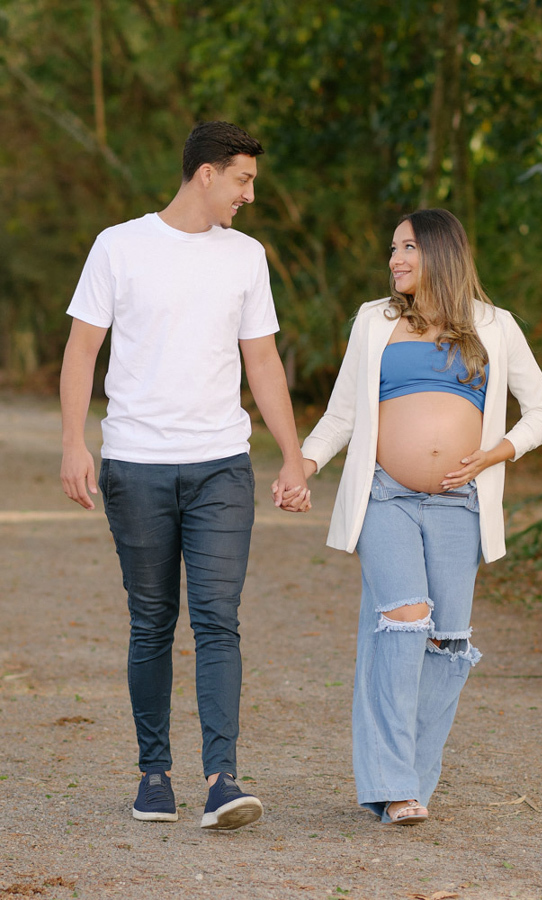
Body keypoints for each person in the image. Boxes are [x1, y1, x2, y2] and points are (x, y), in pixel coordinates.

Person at [60, 120, 309, 830]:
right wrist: (74, 443)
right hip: (135, 464)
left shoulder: (247, 257)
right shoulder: (119, 246)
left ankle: (223, 779)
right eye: (243, 179)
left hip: (221, 467)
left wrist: (290, 455)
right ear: (207, 173)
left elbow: (261, 360)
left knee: (217, 621)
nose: (250, 195)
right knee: (151, 621)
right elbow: (82, 351)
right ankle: (153, 776)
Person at [276, 208, 542, 825]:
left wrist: (494, 452)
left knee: (446, 641)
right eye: (392, 249)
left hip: (462, 503)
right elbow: (343, 413)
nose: (394, 259)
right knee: (403, 618)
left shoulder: (495, 326)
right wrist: (304, 465)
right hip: (386, 496)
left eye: (407, 247)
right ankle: (394, 783)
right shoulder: (374, 322)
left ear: (441, 252)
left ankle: (411, 784)